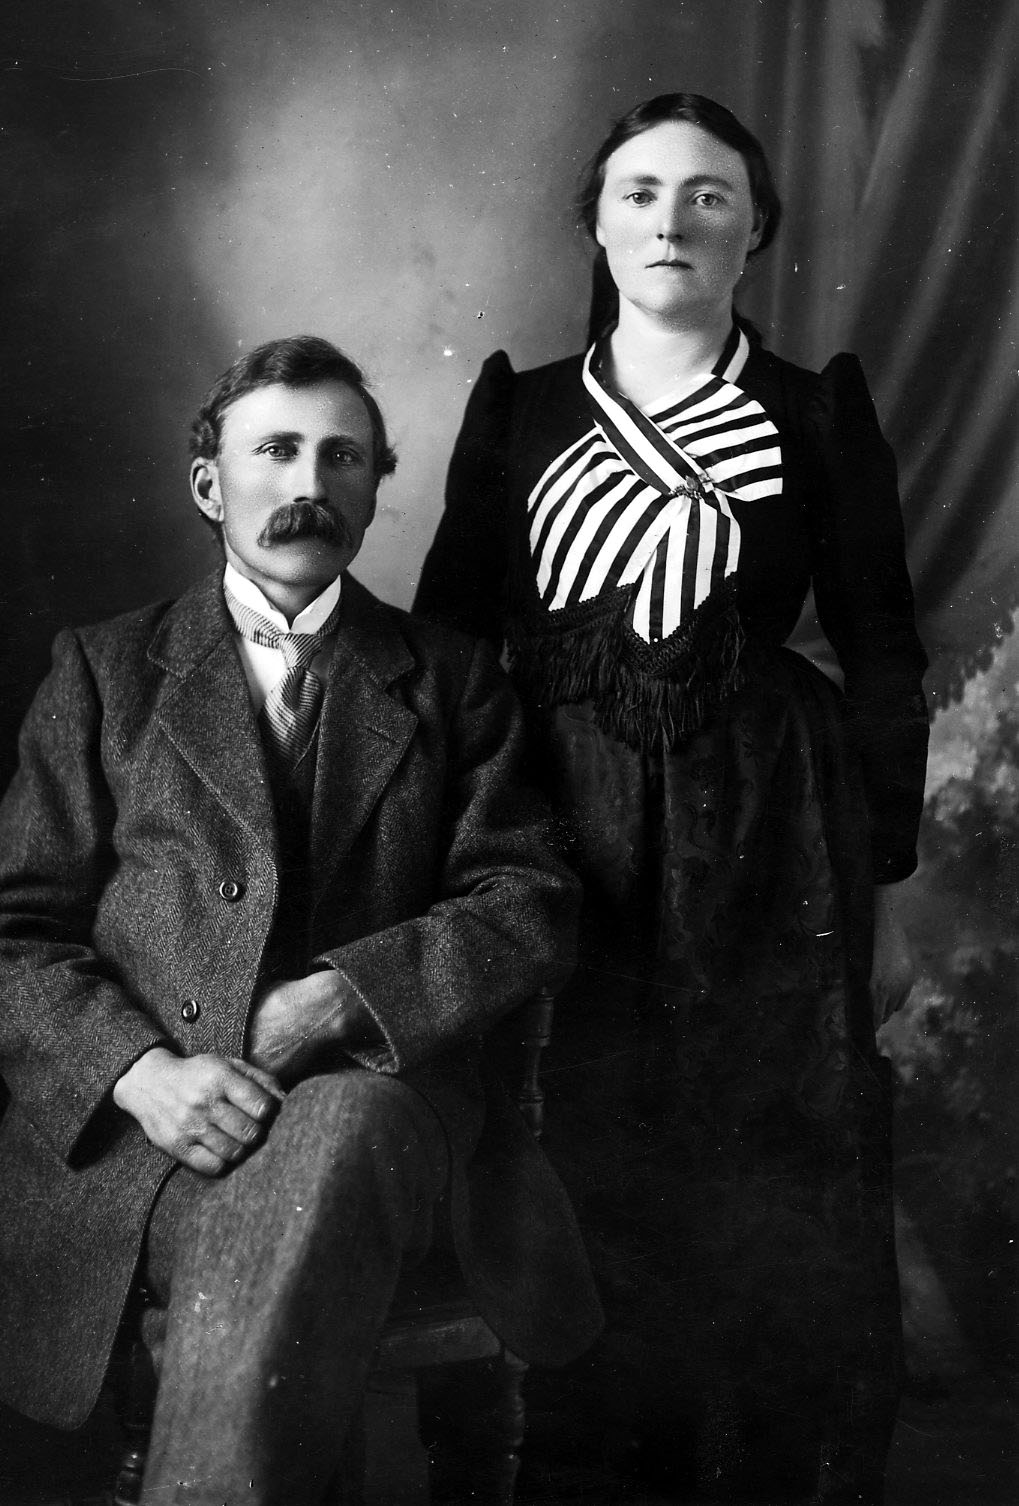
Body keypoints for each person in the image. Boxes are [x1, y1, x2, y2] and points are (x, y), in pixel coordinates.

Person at [415, 94, 929, 1503]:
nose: (670, 221)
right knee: (572, 1122)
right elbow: (448, 646)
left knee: (760, 1139)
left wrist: (877, 873)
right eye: (638, 192)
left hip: (769, 830)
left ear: (753, 230)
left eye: (709, 195)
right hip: (555, 823)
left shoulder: (812, 408)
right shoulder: (522, 407)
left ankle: (762, 1461)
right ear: (593, 223)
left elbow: (881, 647)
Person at [0, 335, 601, 1504]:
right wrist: (140, 1076)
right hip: (149, 1148)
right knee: (276, 1253)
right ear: (209, 484)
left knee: (336, 1131)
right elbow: (16, 934)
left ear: (376, 490)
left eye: (342, 457)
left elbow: (526, 901)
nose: (308, 484)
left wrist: (340, 999)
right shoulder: (104, 674)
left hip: (384, 1123)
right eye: (275, 450)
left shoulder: (453, 680)